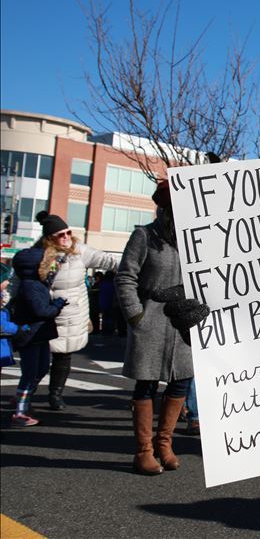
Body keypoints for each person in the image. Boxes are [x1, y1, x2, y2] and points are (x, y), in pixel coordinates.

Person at [117, 180, 209, 475]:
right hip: (151, 320)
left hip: (183, 321)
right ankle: (143, 451)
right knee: (146, 384)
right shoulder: (144, 236)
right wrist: (136, 317)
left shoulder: (195, 239)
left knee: (181, 382)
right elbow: (125, 278)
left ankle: (164, 444)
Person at [34, 211, 118, 410]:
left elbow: (109, 261)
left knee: (64, 355)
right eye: (60, 235)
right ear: (49, 238)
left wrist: (134, 266)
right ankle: (25, 393)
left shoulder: (80, 251)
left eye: (68, 233)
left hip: (71, 316)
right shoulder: (38, 254)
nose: (66, 238)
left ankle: (56, 395)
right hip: (44, 314)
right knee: (38, 359)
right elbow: (20, 282)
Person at [8, 247, 68, 426]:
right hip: (30, 335)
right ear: (37, 267)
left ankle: (22, 400)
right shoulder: (30, 286)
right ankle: (20, 410)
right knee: (30, 373)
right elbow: (42, 311)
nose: (53, 266)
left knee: (41, 369)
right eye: (48, 263)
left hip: (39, 334)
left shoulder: (38, 283)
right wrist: (57, 305)